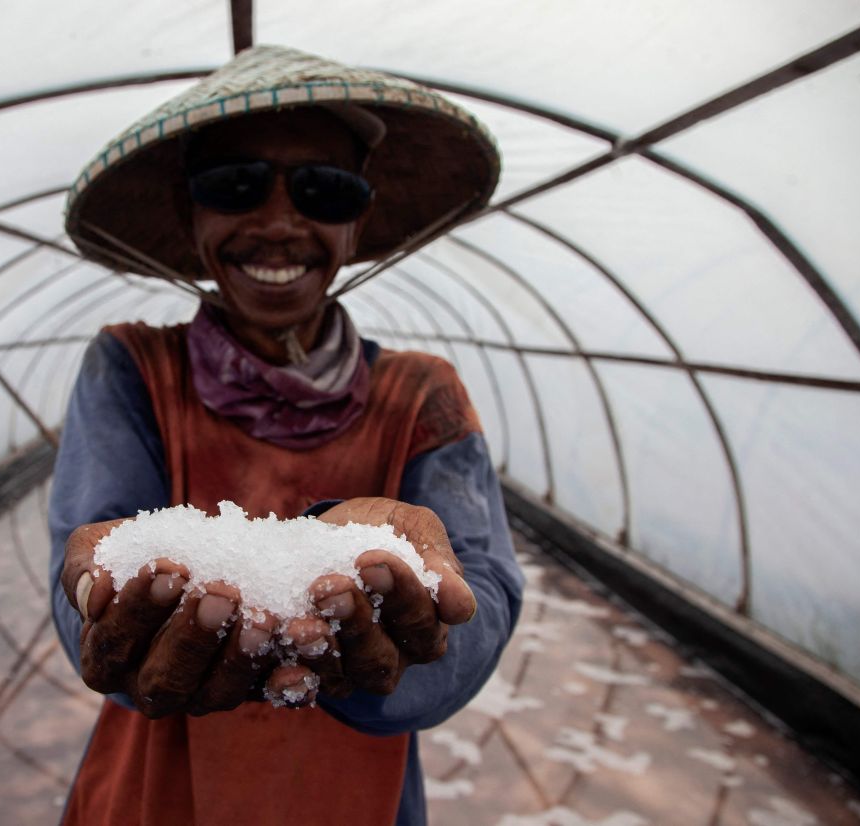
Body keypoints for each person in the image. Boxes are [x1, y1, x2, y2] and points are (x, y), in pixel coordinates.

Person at [48, 45, 524, 825]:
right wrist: (103, 614)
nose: (277, 222)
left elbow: (486, 587)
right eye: (232, 186)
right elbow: (88, 559)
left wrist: (410, 627)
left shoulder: (421, 391)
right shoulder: (132, 367)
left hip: (352, 792)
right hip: (158, 790)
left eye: (323, 191)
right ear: (189, 212)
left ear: (358, 219)